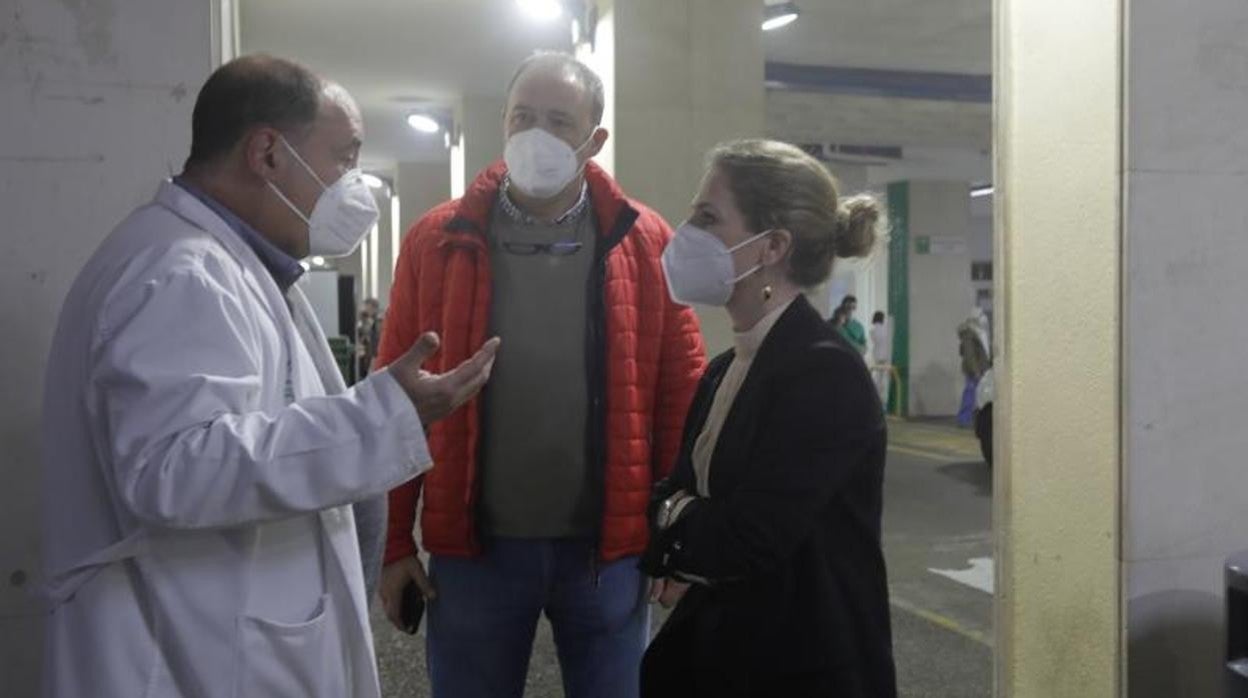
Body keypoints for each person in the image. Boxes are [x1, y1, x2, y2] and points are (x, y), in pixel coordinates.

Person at [39, 55, 500, 698]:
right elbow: (173, 469)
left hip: (219, 632)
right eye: (344, 157)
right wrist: (384, 413)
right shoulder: (181, 275)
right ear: (267, 154)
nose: (354, 184)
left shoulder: (234, 267)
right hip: (176, 650)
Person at [375, 51, 707, 698]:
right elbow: (395, 397)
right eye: (523, 117)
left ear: (594, 140)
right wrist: (392, 543)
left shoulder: (644, 241)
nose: (536, 135)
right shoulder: (436, 241)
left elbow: (679, 396)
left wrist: (677, 540)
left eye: (558, 121)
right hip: (474, 553)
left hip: (608, 553)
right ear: (502, 122)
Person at [640, 139, 897, 697]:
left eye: (708, 217)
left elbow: (745, 540)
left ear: (771, 246)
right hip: (728, 654)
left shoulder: (823, 374)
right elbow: (676, 493)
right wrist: (684, 515)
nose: (687, 232)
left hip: (800, 666)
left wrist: (676, 519)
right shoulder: (728, 367)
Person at [870, 310, 893, 407]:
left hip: (877, 355)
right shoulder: (886, 329)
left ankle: (877, 399)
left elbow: (875, 341)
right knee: (884, 379)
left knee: (878, 378)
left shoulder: (872, 331)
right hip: (886, 355)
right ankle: (883, 400)